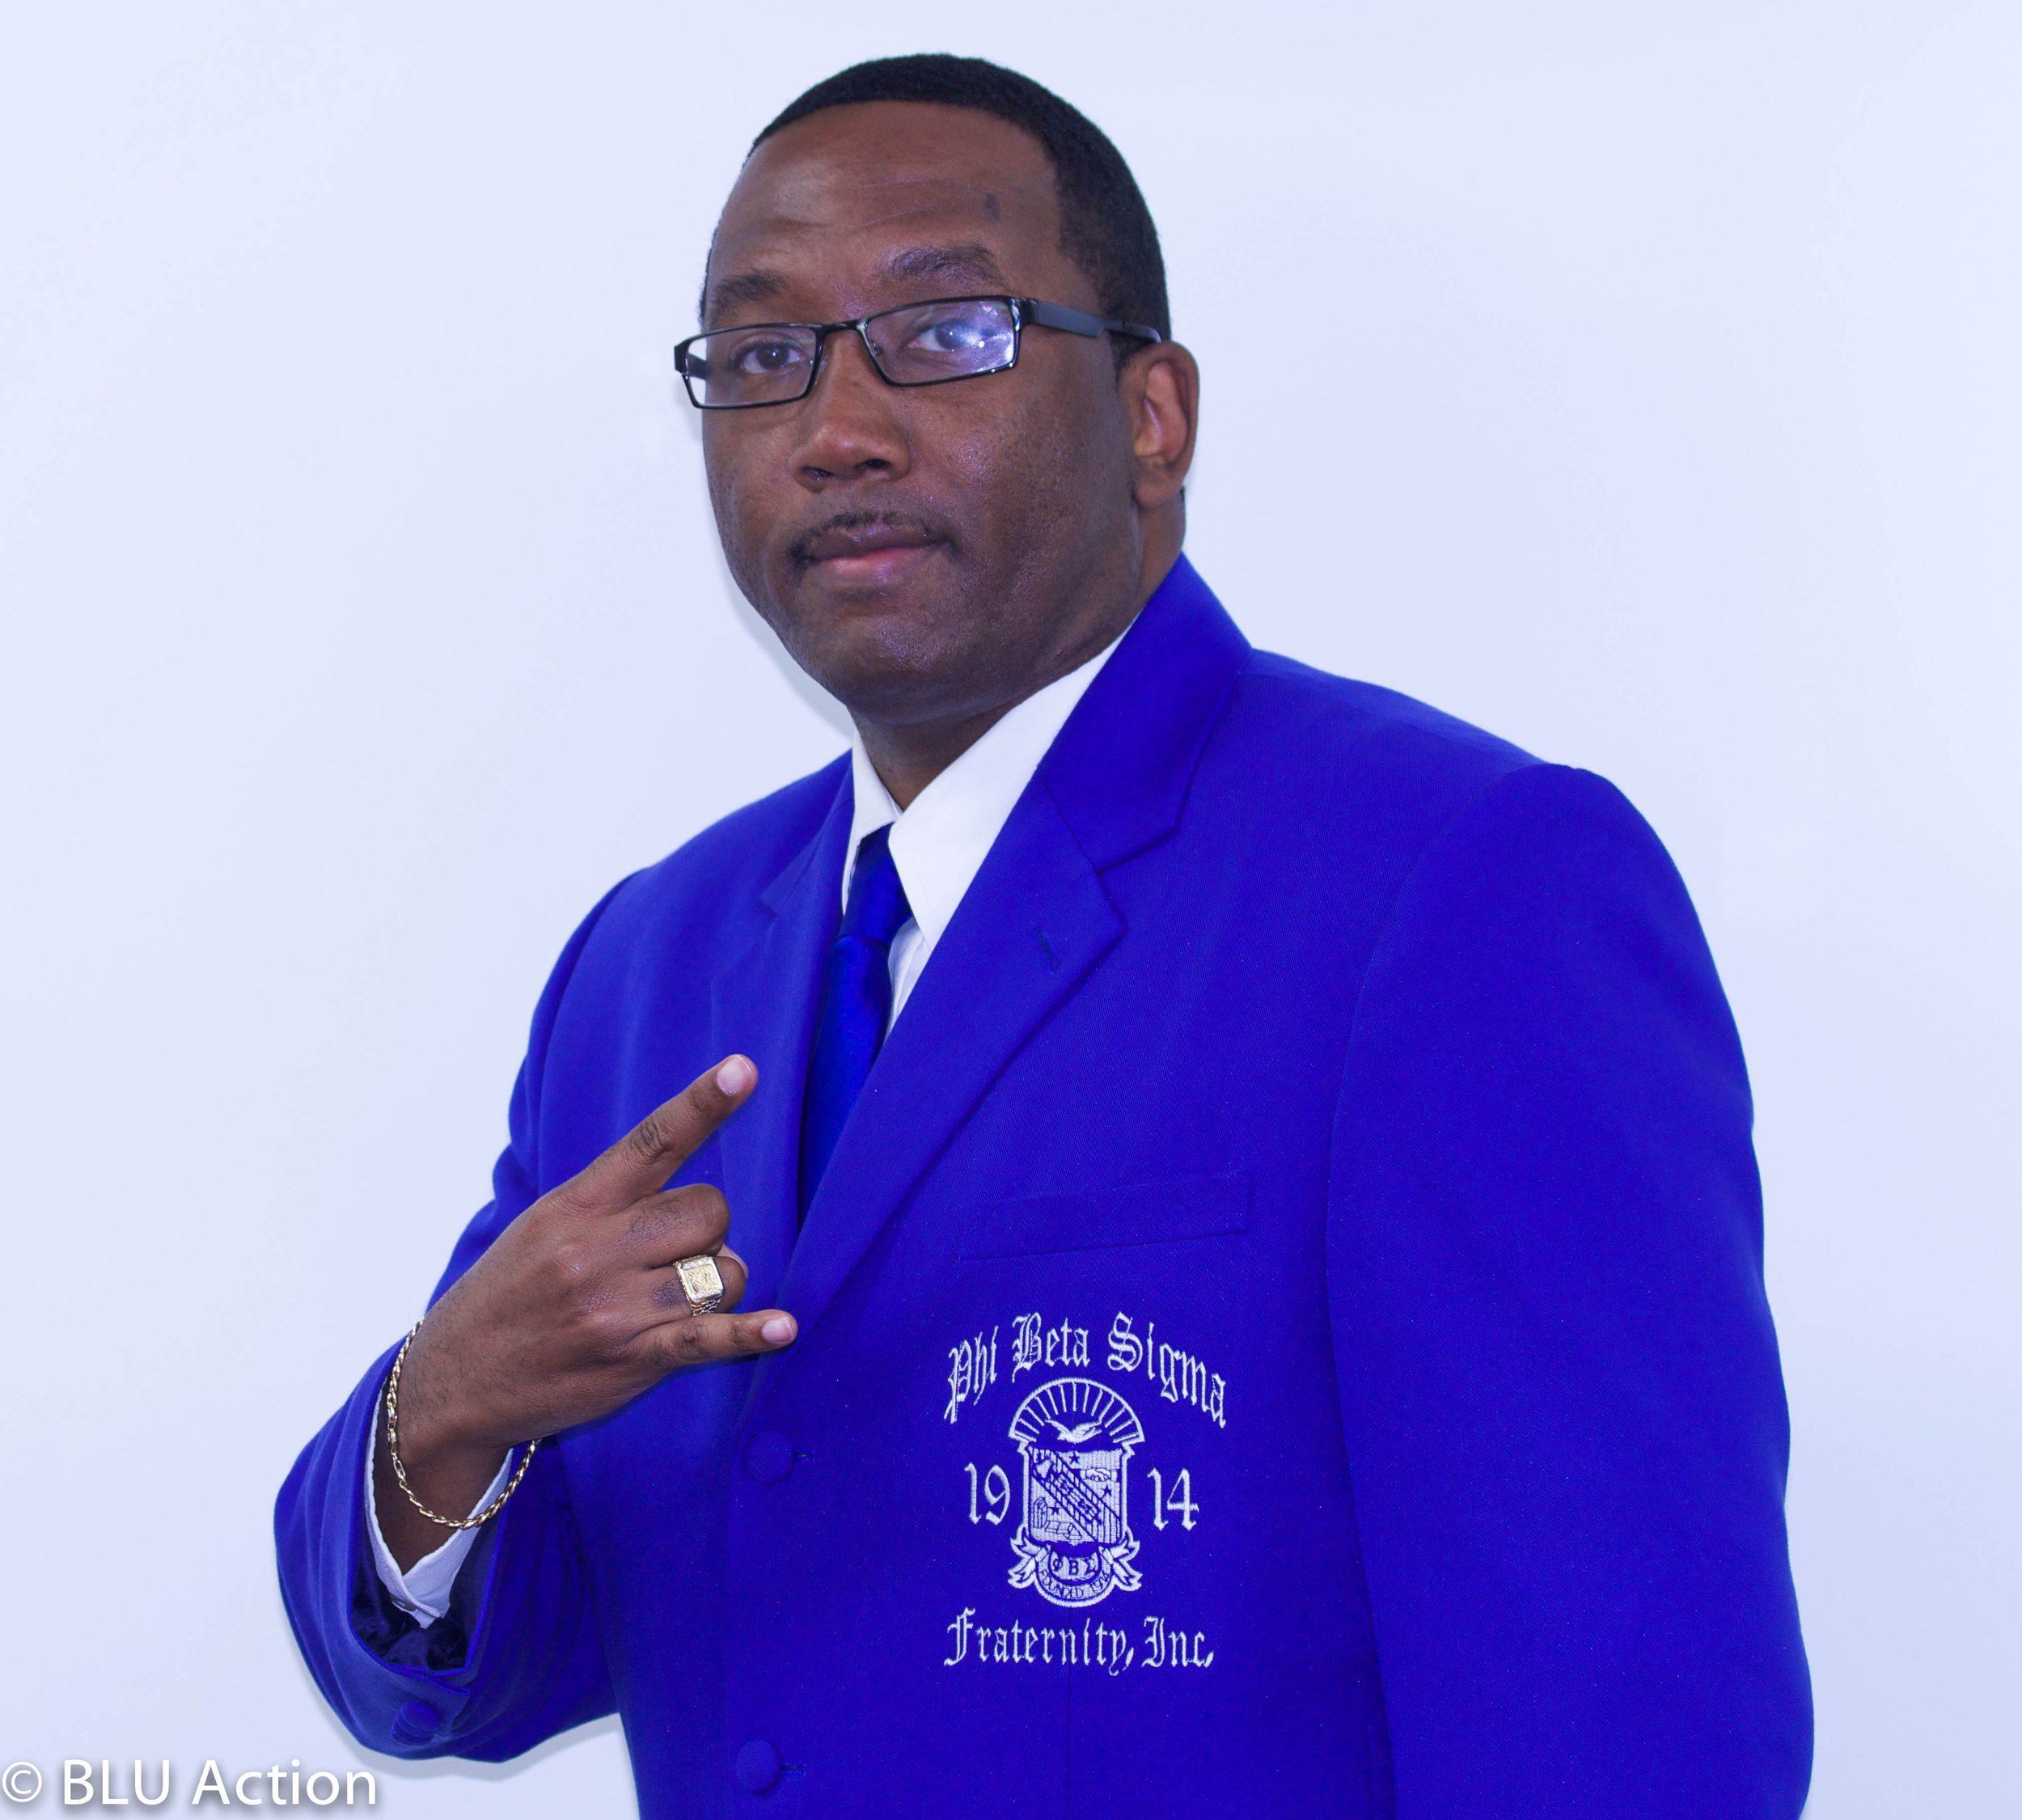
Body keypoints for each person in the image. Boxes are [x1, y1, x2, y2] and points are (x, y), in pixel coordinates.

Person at [274, 53, 1812, 1818]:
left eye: (945, 330)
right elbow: (494, 1663)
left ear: (1152, 415)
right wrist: (442, 1408)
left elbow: (1621, 1732)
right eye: (762, 355)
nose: (834, 426)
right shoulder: (652, 963)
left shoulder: (1456, 891)